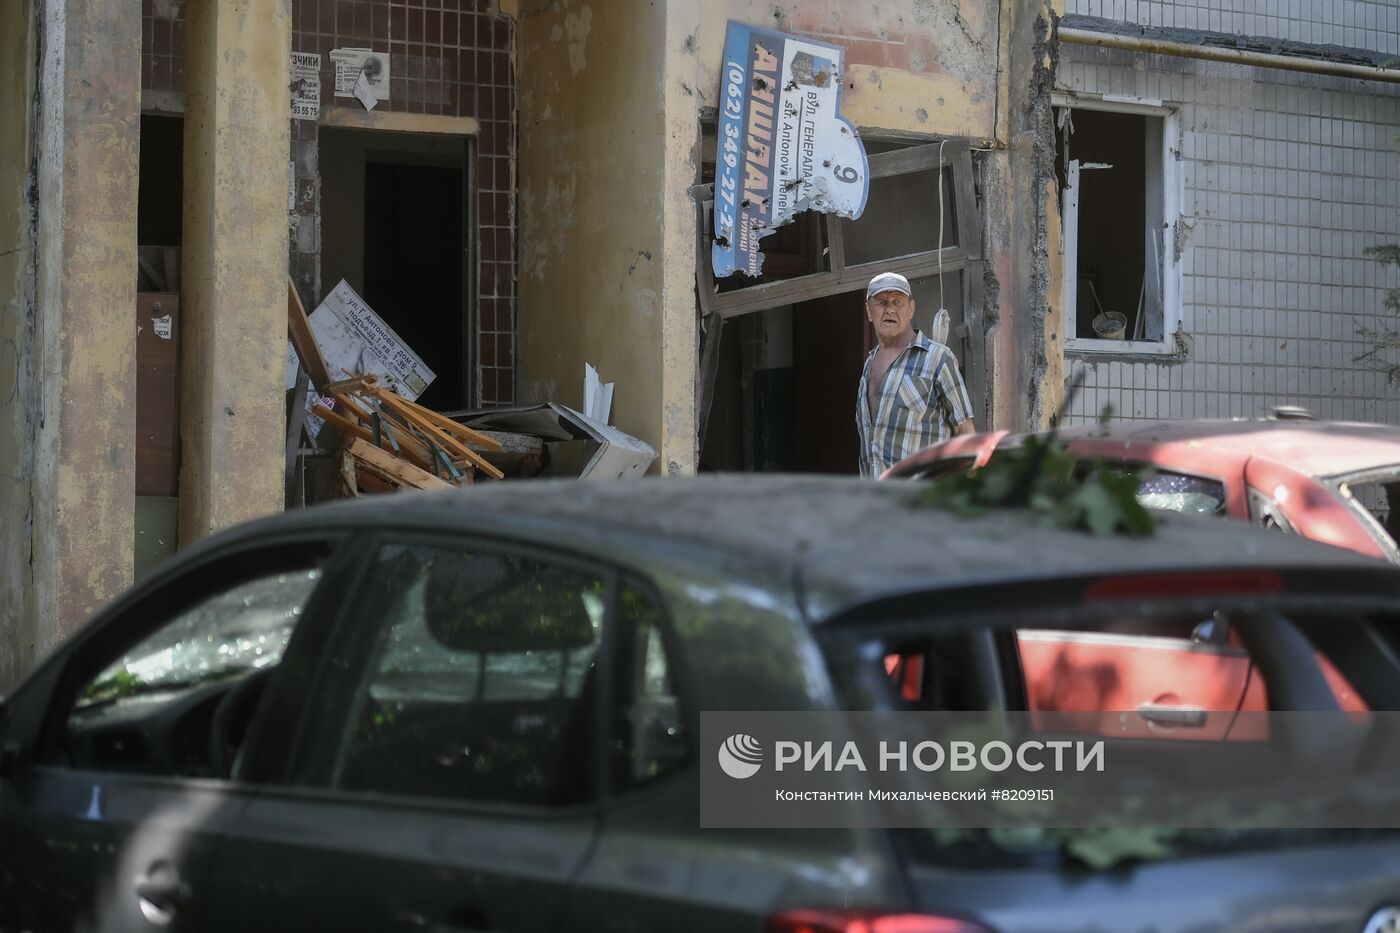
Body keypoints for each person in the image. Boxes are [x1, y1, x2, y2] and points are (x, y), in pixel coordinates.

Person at [856, 272, 976, 477]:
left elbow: (966, 436)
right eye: (881, 302)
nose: (890, 309)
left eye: (897, 301)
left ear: (911, 308)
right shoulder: (869, 365)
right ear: (869, 311)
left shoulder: (938, 359)